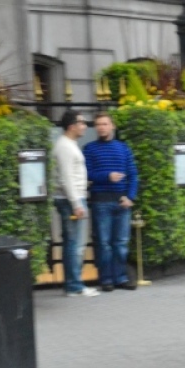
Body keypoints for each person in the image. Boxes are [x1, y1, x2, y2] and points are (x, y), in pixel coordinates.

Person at [83, 113, 139, 292]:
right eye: (98, 124)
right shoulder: (89, 149)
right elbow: (87, 174)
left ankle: (120, 277)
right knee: (104, 244)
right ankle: (106, 279)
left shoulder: (123, 149)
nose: (101, 127)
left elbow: (133, 175)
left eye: (105, 124)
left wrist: (130, 197)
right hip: (100, 201)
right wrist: (107, 176)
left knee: (121, 243)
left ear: (112, 126)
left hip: (121, 200)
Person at [51, 111, 98, 297]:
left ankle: (73, 284)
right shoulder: (65, 147)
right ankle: (74, 285)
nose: (85, 126)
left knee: (74, 243)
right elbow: (66, 178)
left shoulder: (68, 145)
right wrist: (76, 203)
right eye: (82, 123)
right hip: (72, 200)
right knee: (75, 244)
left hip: (73, 198)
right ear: (72, 126)